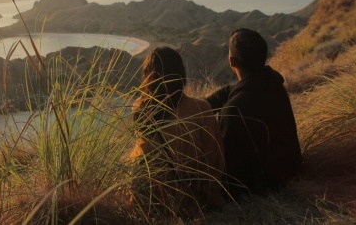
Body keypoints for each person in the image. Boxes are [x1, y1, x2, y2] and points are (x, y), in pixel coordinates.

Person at [206, 28, 302, 199]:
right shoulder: (275, 87)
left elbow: (226, 172)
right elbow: (236, 90)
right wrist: (202, 105)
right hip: (289, 173)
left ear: (231, 61)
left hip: (259, 190)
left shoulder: (232, 112)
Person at [129, 46, 225, 217]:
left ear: (149, 77)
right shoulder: (201, 109)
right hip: (186, 202)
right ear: (181, 75)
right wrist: (212, 199)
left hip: (146, 200)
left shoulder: (139, 107)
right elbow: (213, 161)